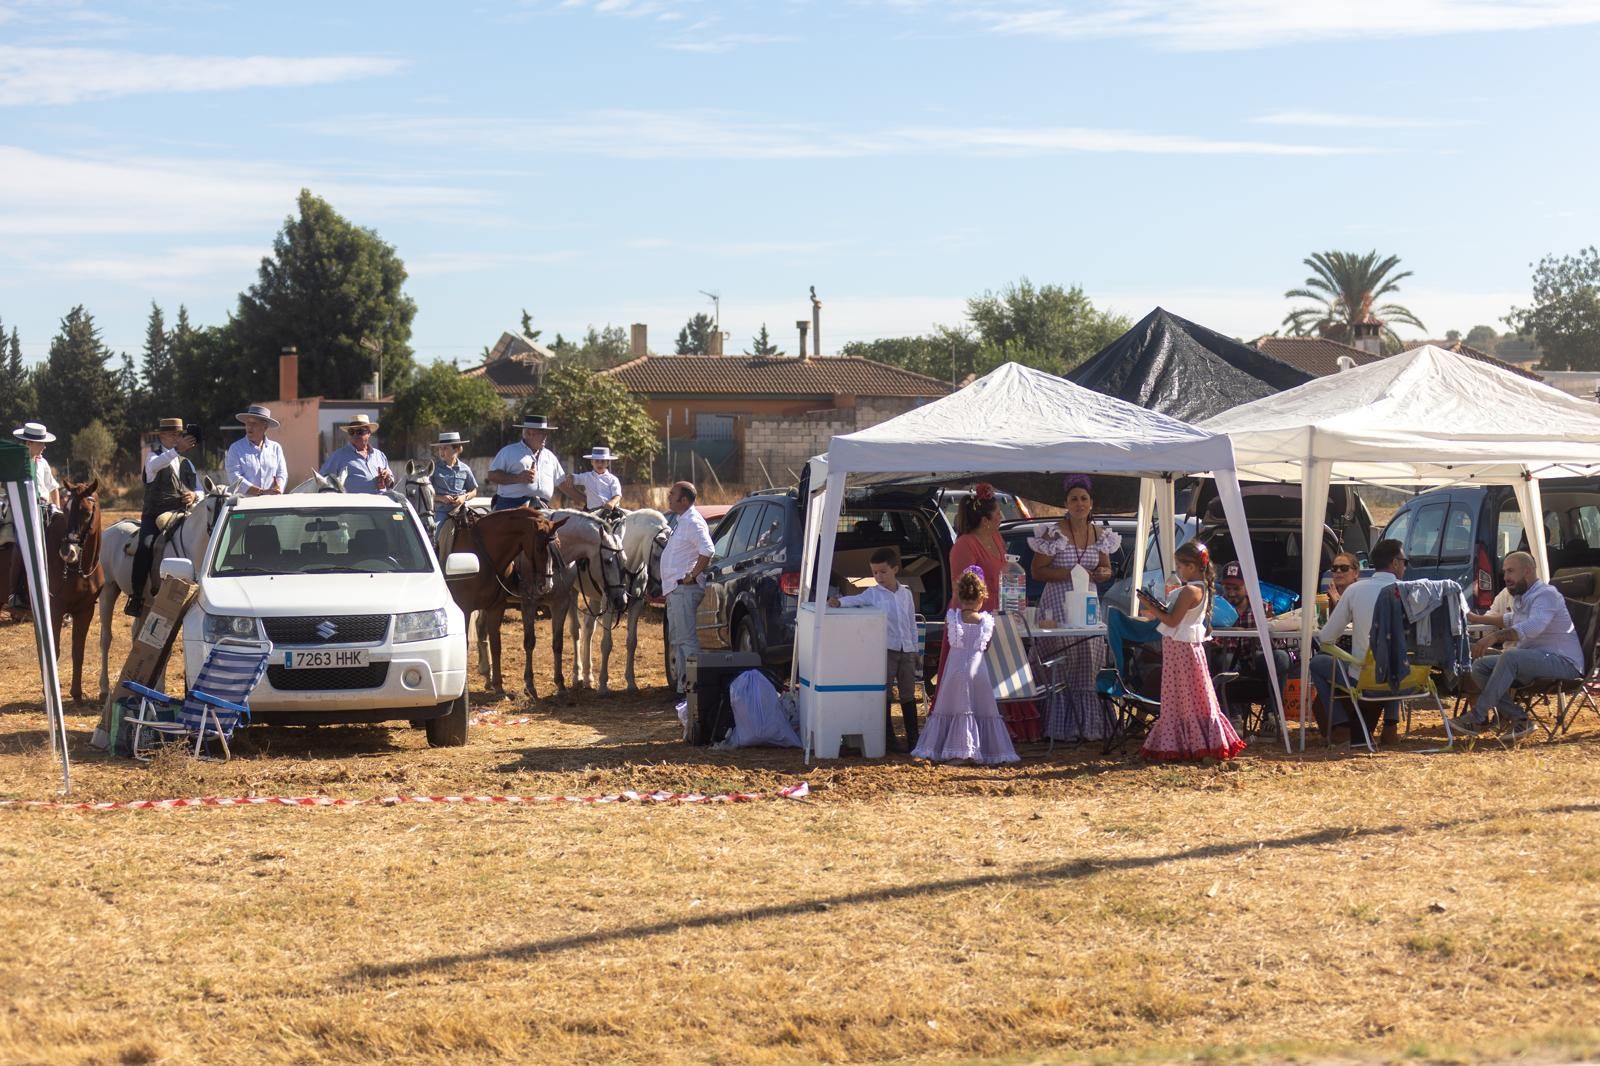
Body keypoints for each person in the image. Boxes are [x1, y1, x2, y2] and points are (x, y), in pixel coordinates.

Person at [1451, 551, 1583, 741]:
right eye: (1505, 572)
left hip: (1563, 662)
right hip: (1535, 659)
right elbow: (1510, 619)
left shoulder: (1546, 595)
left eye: (1511, 571)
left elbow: (1533, 626)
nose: (1505, 577)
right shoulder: (1523, 596)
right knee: (1479, 667)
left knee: (1510, 657)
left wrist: (1495, 636)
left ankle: (1477, 716)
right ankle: (1519, 719)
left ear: (1527, 571)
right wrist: (1475, 618)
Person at [1137, 541, 1246, 762]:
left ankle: (1187, 743)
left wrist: (1151, 607)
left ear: (1191, 566)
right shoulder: (1202, 588)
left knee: (1183, 696)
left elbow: (1172, 620)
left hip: (1181, 649)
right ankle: (1197, 741)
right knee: (1192, 696)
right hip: (1185, 646)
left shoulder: (1190, 590)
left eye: (1180, 566)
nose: (1178, 570)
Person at [1029, 473, 1119, 742]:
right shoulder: (1054, 533)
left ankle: (1089, 726)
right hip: (1058, 604)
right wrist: (1072, 573)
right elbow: (1037, 571)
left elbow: (1106, 568)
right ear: (1066, 504)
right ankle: (1060, 726)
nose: (1079, 504)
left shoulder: (1100, 534)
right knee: (1063, 660)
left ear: (1091, 503)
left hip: (1087, 604)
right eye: (1074, 499)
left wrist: (1101, 574)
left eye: (1083, 498)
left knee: (1088, 660)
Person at [911, 567, 1019, 765]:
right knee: (982, 710)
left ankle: (956, 751)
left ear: (960, 597)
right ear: (982, 598)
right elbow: (986, 646)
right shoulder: (986, 621)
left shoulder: (952, 618)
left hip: (955, 671)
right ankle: (982, 751)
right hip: (978, 672)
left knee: (955, 709)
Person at [1308, 538, 1407, 747]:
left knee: (1317, 663)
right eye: (1405, 561)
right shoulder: (1412, 591)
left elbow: (1326, 638)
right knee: (1394, 658)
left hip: (1366, 677)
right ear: (1395, 563)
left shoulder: (1356, 591)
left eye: (1343, 568)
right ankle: (1391, 727)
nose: (1406, 566)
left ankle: (1341, 726)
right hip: (1410, 677)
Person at [829, 545, 920, 752]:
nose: (879, 577)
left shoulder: (905, 594)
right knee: (885, 693)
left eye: (883, 572)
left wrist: (915, 649)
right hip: (886, 650)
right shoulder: (873, 594)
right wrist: (839, 603)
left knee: (908, 694)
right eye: (875, 572)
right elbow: (856, 600)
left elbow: (911, 623)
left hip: (906, 649)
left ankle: (913, 738)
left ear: (895, 569)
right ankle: (889, 739)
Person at [127, 416, 201, 617]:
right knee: (146, 545)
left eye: (179, 435)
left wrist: (194, 495)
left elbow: (200, 489)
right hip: (154, 515)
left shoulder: (187, 463)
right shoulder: (153, 457)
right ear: (161, 436)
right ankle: (136, 596)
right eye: (171, 435)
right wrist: (176, 450)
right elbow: (157, 465)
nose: (176, 438)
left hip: (182, 514)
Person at [1216, 560, 1291, 731]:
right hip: (1230, 662)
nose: (1231, 593)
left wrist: (1270, 627)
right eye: (1227, 588)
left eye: (1236, 588)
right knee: (1225, 659)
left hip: (1256, 661)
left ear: (1248, 587)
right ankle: (1233, 716)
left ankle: (1272, 715)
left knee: (1281, 658)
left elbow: (1278, 644)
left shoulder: (1262, 608)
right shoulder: (1217, 608)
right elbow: (1211, 641)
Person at [661, 480, 714, 695]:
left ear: (684, 500)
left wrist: (692, 575)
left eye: (672, 494)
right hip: (676, 590)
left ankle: (696, 692)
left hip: (684, 589)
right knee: (678, 641)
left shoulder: (693, 522)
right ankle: (684, 690)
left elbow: (708, 550)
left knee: (686, 642)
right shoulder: (682, 520)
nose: (669, 497)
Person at [7, 422, 60, 612]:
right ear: (28, 443)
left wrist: (57, 509)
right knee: (22, 545)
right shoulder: (13, 463)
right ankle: (13, 593)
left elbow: (53, 487)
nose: (44, 447)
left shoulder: (43, 463)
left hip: (45, 509)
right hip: (21, 511)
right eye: (41, 443)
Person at [487, 415, 566, 510]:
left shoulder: (550, 456)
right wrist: (518, 478)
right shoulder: (508, 452)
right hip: (511, 507)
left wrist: (582, 499)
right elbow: (492, 475)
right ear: (529, 433)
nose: (545, 437)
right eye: (541, 433)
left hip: (541, 507)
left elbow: (563, 483)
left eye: (546, 433)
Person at [224, 404, 287, 496]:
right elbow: (234, 477)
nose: (249, 426)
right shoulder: (235, 449)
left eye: (254, 423)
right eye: (248, 423)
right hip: (245, 503)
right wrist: (261, 492)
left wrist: (278, 489)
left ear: (265, 427)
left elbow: (282, 474)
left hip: (271, 501)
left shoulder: (276, 448)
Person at [321, 415, 393, 493]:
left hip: (381, 500)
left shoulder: (379, 455)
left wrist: (387, 479)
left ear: (369, 433)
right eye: (351, 432)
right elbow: (323, 480)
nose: (355, 435)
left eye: (359, 432)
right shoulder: (338, 456)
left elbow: (391, 482)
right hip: (355, 501)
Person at [428, 431, 478, 530]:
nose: (441, 451)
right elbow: (426, 493)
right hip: (441, 512)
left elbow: (474, 491)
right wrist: (441, 498)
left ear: (457, 449)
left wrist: (464, 497)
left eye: (445, 448)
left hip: (461, 511)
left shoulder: (465, 469)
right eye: (440, 448)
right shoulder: (433, 469)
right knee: (435, 532)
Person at [562, 446, 623, 513]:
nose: (599, 464)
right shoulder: (586, 477)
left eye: (603, 461)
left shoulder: (613, 479)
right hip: (592, 511)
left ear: (607, 463)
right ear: (592, 462)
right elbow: (575, 477)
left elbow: (617, 495)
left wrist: (612, 502)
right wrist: (570, 477)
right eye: (596, 461)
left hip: (610, 512)